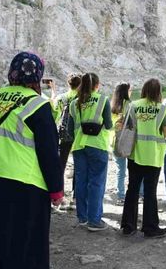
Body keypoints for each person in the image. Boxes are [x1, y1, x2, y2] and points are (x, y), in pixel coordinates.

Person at [0, 51, 64, 268]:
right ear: (36, 75)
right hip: (24, 180)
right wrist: (56, 190)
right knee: (24, 243)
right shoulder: (39, 105)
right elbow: (49, 152)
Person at [120, 78, 166, 238]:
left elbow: (126, 127)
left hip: (135, 154)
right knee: (150, 191)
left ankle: (128, 226)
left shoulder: (133, 105)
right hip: (154, 156)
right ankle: (150, 227)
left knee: (132, 189)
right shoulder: (162, 108)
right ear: (158, 92)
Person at [69, 73, 112, 231]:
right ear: (97, 85)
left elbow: (69, 128)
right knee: (96, 182)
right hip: (97, 145)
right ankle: (94, 220)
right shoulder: (102, 100)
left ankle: (83, 217)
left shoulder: (74, 103)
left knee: (81, 181)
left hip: (79, 146)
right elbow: (108, 124)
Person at [53, 73, 82, 187]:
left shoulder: (61, 97)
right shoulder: (82, 99)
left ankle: (59, 191)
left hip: (63, 133)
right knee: (78, 165)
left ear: (68, 83)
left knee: (61, 165)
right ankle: (76, 195)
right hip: (78, 133)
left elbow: (55, 116)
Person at [111, 82, 133, 205]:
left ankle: (120, 195)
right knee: (134, 169)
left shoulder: (112, 105)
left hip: (115, 141)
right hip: (129, 140)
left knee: (121, 170)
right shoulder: (130, 105)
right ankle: (138, 194)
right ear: (126, 91)